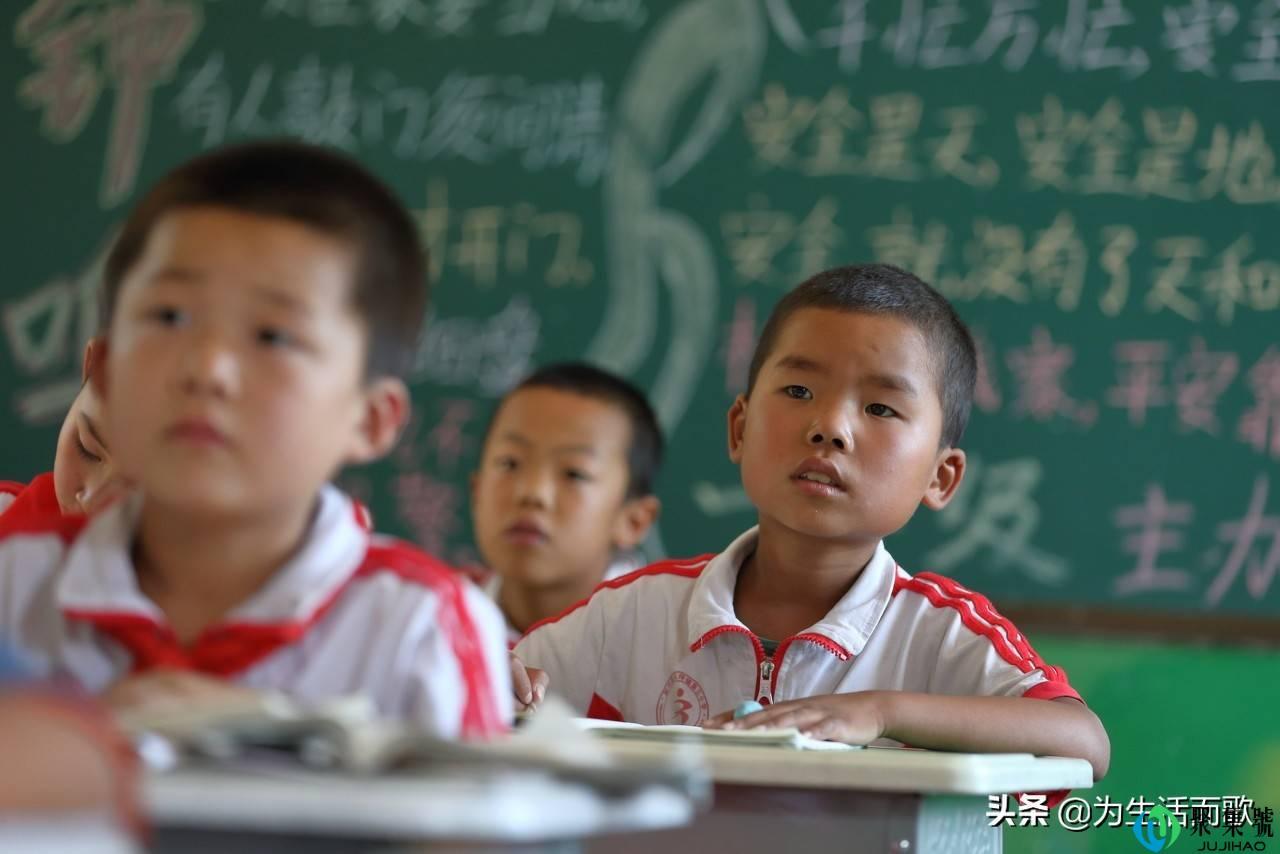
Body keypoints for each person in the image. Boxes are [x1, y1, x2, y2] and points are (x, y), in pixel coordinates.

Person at [512, 264, 1109, 779]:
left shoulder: (939, 634)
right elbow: (492, 689)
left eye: (880, 407)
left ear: (941, 477)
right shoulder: (631, 615)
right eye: (798, 390)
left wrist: (880, 712)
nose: (830, 428)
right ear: (740, 429)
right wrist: (500, 680)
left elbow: (1082, 740)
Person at [0, 140, 511, 738]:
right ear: (106, 372)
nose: (207, 368)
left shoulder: (419, 630)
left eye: (272, 336)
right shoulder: (14, 581)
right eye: (168, 317)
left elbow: (469, 829)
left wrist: (275, 736)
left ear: (370, 419)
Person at [471, 362, 662, 642]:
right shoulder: (432, 622)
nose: (532, 493)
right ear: (477, 491)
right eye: (509, 463)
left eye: (574, 473)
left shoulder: (663, 639)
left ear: (633, 520)